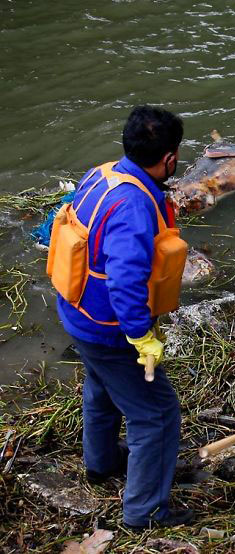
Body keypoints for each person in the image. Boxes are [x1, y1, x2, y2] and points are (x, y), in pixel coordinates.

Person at [50, 105, 192, 529]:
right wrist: (141, 336)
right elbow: (126, 280)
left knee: (101, 388)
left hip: (76, 314)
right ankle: (144, 512)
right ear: (169, 158)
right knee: (157, 414)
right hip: (109, 330)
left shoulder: (103, 173)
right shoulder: (133, 206)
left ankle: (101, 464)